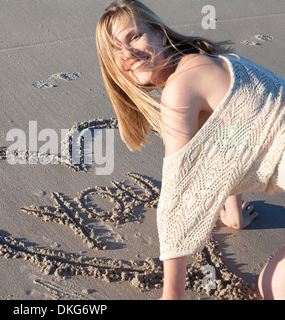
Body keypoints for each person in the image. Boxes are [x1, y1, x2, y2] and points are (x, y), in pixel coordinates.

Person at [95, 0, 284, 299]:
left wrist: (172, 295)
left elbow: (177, 195)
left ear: (158, 33)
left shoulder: (181, 87)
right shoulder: (207, 60)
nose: (128, 54)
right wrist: (233, 214)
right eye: (116, 50)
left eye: (134, 36)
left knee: (272, 288)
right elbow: (231, 139)